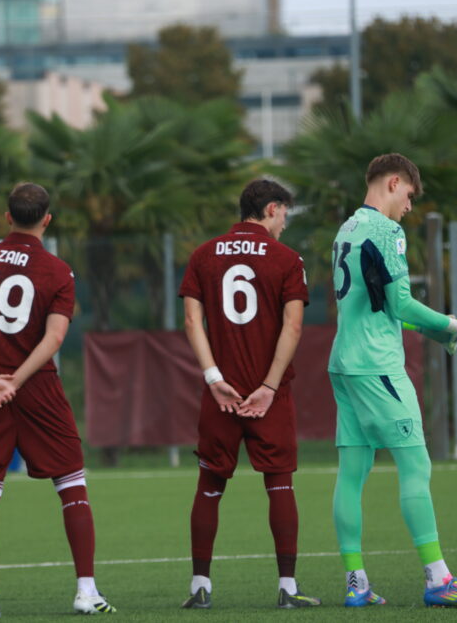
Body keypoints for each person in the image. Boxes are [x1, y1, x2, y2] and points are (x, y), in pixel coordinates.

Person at [329, 153, 457, 609]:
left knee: (351, 475)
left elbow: (380, 308)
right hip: (378, 366)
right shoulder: (386, 231)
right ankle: (439, 580)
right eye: (410, 196)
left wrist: (441, 332)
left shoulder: (346, 229)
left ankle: (357, 584)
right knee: (416, 467)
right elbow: (403, 306)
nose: (409, 207)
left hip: (344, 363)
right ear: (394, 183)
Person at [0, 182, 115, 618]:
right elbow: (55, 336)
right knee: (72, 484)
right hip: (36, 384)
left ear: (7, 217)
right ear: (47, 219)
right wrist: (16, 381)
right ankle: (86, 593)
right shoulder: (57, 269)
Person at [178, 178, 320, 610]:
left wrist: (212, 376)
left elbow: (190, 322)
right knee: (279, 485)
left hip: (220, 394)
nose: (284, 225)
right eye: (285, 216)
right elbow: (293, 327)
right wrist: (268, 387)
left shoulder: (203, 255)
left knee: (209, 485)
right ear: (273, 209)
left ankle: (199, 587)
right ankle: (288, 590)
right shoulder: (287, 259)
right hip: (267, 395)